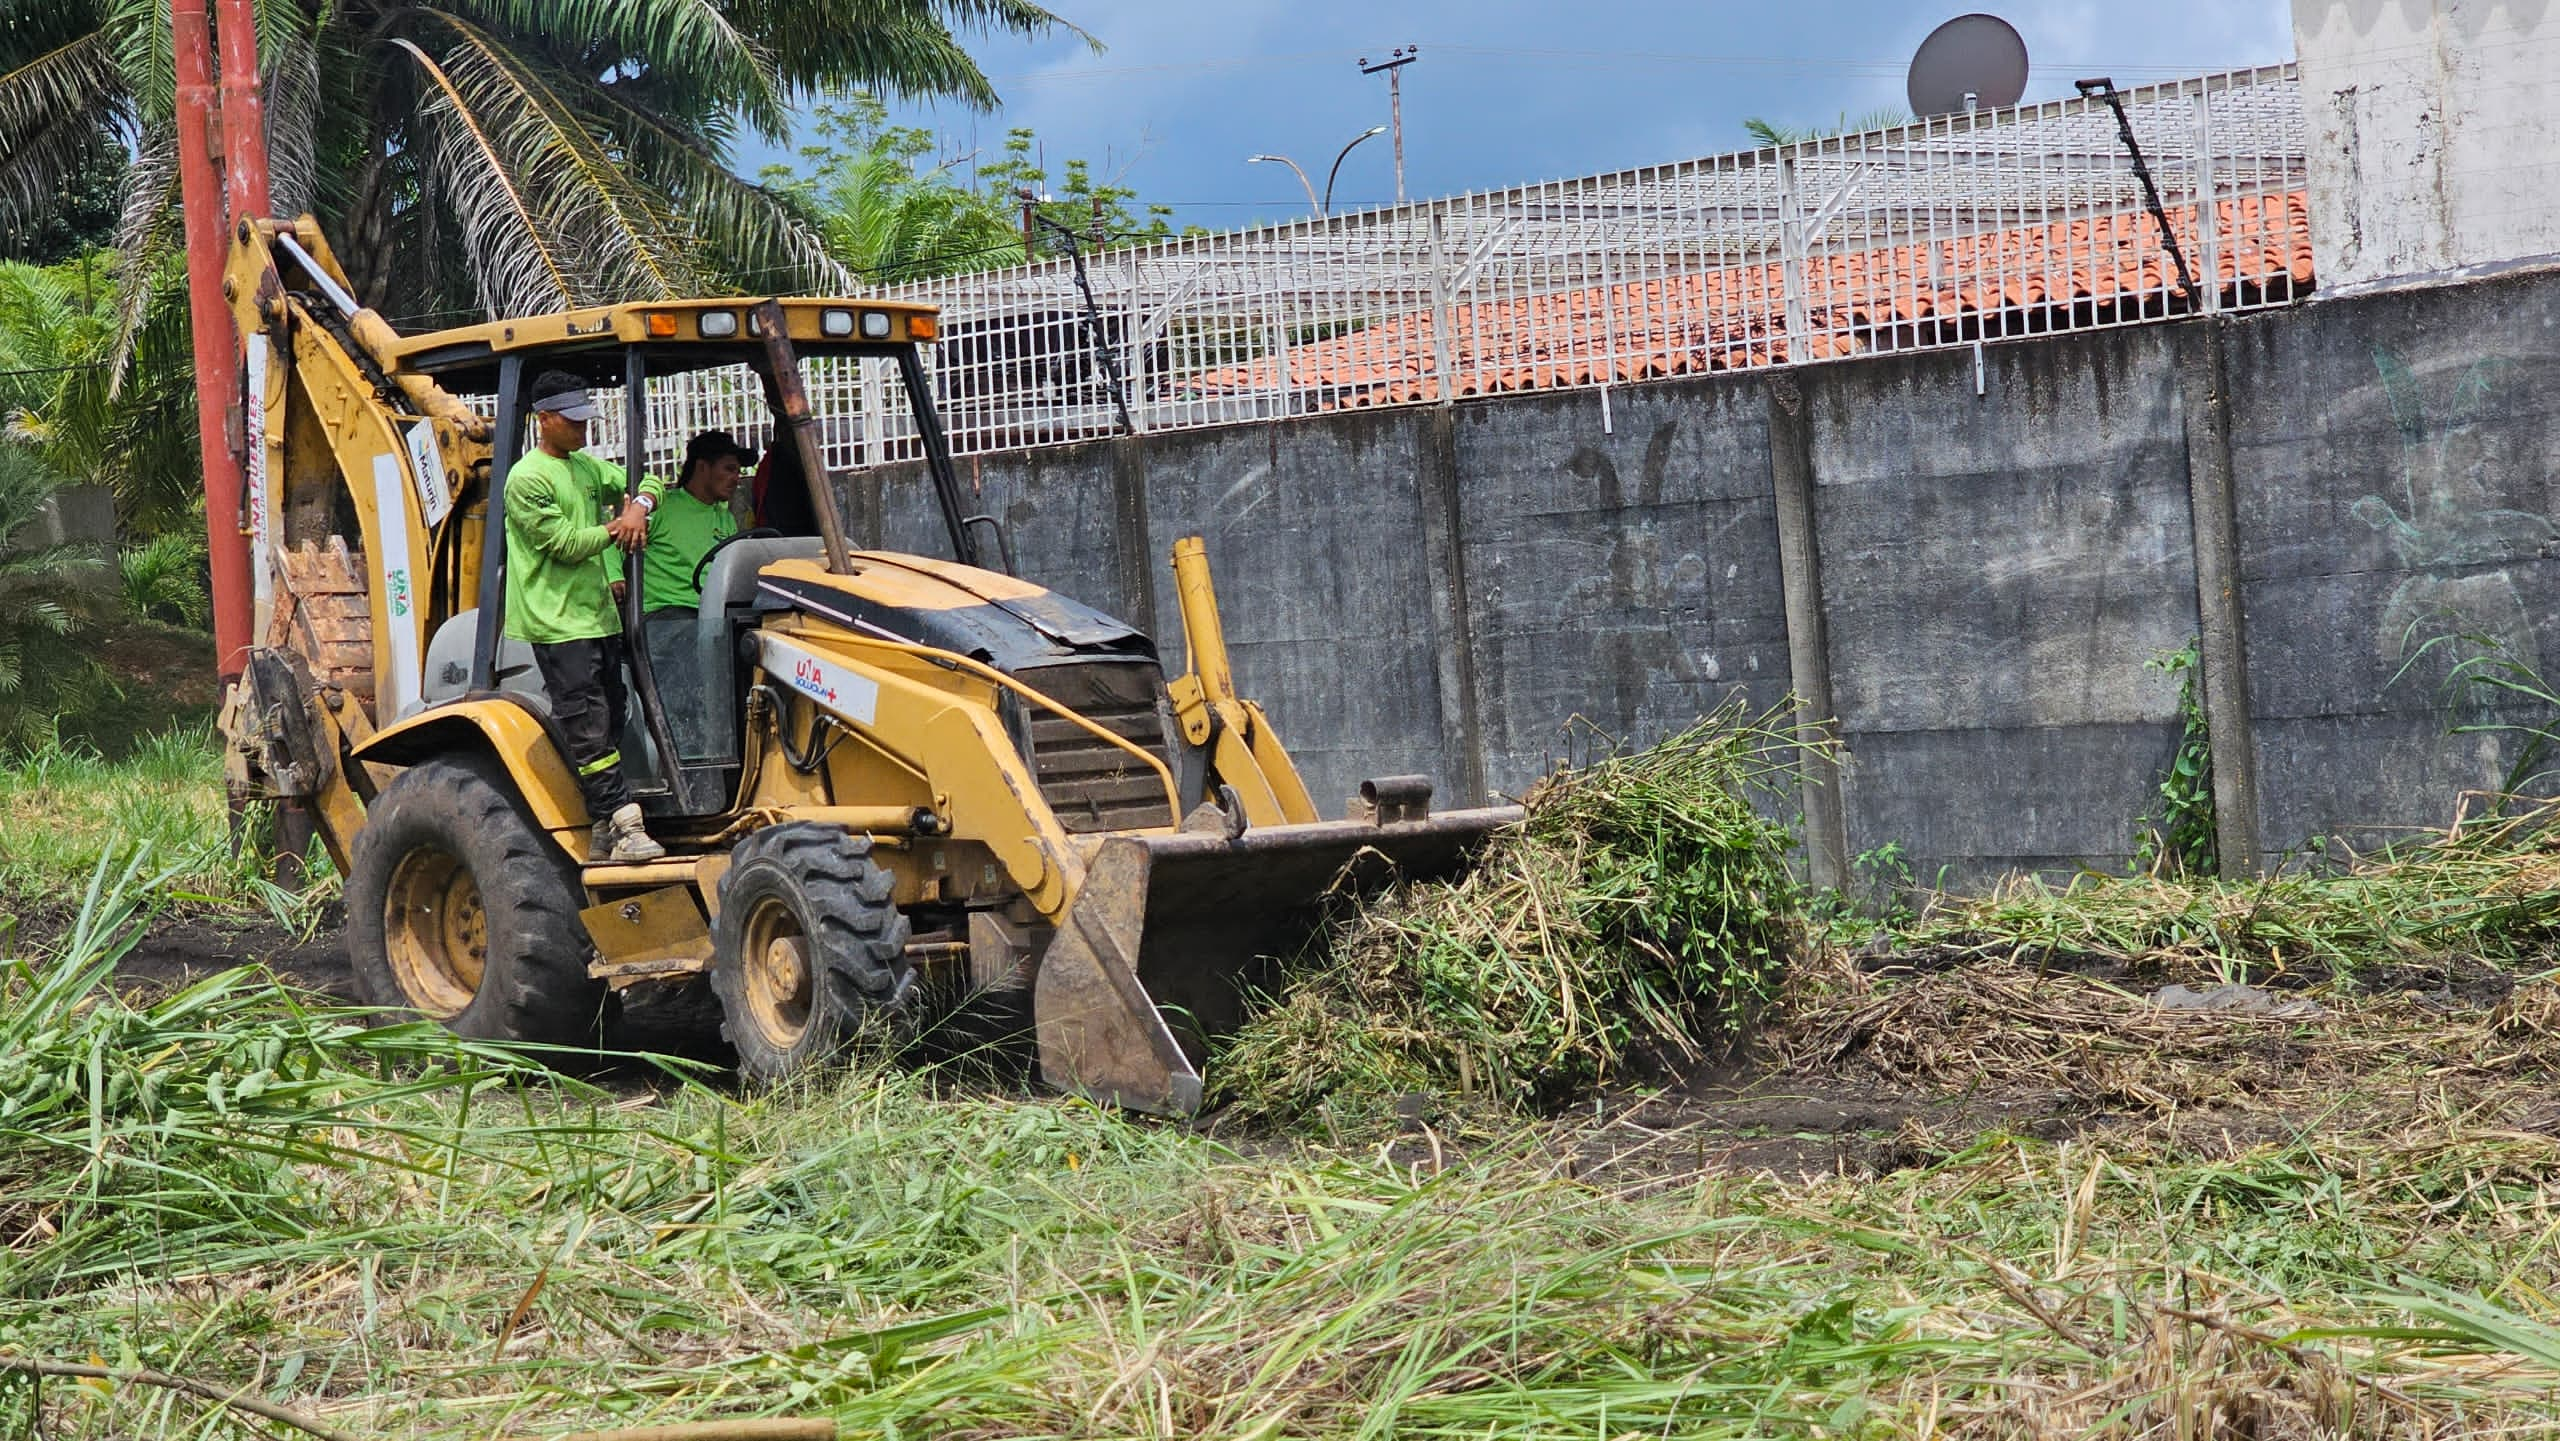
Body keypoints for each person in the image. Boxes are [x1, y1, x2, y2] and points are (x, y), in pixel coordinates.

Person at [504, 369, 667, 863]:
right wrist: (621, 526)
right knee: (587, 725)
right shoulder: (527, 478)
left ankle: (601, 823)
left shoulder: (585, 468)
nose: (584, 430)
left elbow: (650, 477)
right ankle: (624, 822)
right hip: (557, 621)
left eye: (586, 421)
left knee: (613, 716)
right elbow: (566, 545)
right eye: (573, 422)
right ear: (544, 420)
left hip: (598, 616)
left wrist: (640, 503)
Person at [640, 430, 752, 613]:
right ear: (702, 467)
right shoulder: (661, 507)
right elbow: (613, 545)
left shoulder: (726, 519)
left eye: (738, 472)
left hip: (712, 613)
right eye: (729, 469)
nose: (736, 479)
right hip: (666, 614)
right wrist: (615, 578)